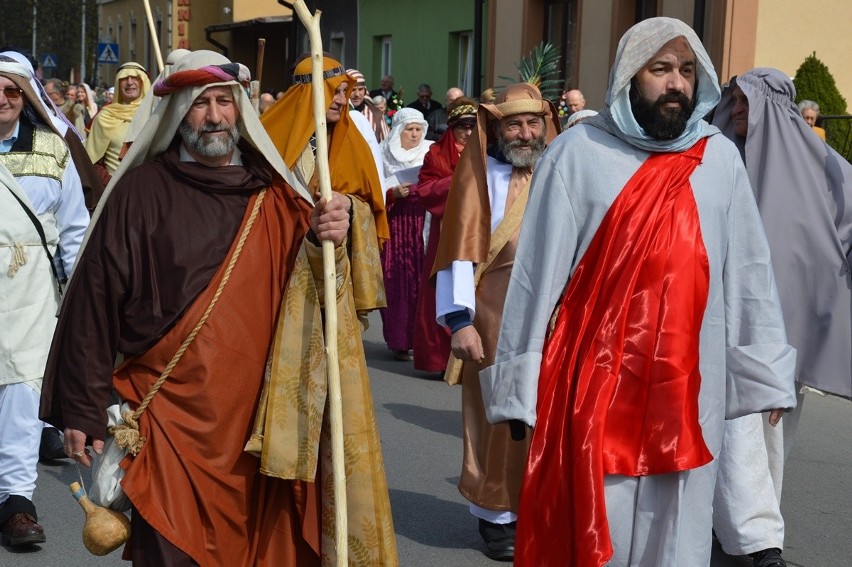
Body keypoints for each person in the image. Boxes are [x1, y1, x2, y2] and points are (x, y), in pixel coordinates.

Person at [39, 50, 397, 566]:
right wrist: (82, 407)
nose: (213, 116)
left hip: (259, 423)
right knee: (172, 550)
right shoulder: (139, 193)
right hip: (168, 422)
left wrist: (330, 238)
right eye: (199, 103)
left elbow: (320, 297)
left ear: (241, 110)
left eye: (224, 102)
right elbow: (94, 304)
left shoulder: (277, 197)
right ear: (177, 113)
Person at [479, 18, 797, 566]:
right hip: (596, 386)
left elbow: (749, 271)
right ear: (630, 75)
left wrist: (762, 369)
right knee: (604, 530)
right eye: (661, 69)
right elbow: (536, 275)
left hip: (691, 384)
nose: (676, 83)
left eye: (686, 70)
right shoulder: (579, 152)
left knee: (679, 538)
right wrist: (520, 382)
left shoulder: (718, 157)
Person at [710, 68, 852, 567]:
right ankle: (738, 536)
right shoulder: (720, 159)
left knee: (766, 437)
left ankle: (756, 541)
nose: (737, 112)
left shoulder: (821, 167)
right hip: (716, 326)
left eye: (747, 103)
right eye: (734, 102)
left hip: (783, 338)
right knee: (722, 431)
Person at [432, 83, 560, 560]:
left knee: (548, 415)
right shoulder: (479, 175)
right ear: (497, 128)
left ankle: (541, 507)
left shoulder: (560, 171)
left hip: (553, 313)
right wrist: (460, 321)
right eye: (514, 124)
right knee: (500, 415)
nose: (525, 133)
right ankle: (497, 517)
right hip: (492, 311)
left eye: (533, 123)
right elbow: (457, 254)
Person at [0, 55, 89, 548]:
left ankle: (16, 502)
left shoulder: (53, 150)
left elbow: (74, 227)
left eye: (12, 90)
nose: (3, 99)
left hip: (31, 285)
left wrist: (80, 299)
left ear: (27, 96)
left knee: (22, 391)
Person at [262, 56, 388, 323]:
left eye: (344, 92)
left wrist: (348, 205)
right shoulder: (268, 136)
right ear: (309, 92)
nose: (342, 100)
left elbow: (371, 204)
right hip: (276, 264)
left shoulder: (352, 140)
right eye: (334, 91)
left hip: (331, 263)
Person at [410, 97, 478, 374]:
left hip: (480, 229)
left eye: (474, 126)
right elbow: (424, 190)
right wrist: (457, 182)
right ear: (452, 127)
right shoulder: (436, 154)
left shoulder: (488, 153)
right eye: (464, 126)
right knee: (443, 286)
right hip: (447, 230)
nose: (469, 132)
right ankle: (439, 358)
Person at [380, 108, 433, 361]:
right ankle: (399, 339)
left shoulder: (430, 153)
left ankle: (418, 339)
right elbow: (375, 187)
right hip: (394, 224)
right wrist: (391, 194)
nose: (414, 135)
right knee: (395, 281)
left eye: (418, 130)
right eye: (409, 130)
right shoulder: (382, 152)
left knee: (420, 282)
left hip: (422, 222)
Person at [86, 62, 150, 179]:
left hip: (149, 189)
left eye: (135, 78)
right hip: (114, 190)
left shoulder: (154, 115)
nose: (130, 82)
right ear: (118, 83)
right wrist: (110, 184)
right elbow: (92, 161)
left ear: (144, 82)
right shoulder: (104, 117)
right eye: (124, 78)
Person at [348, 68, 389, 143]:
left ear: (364, 90)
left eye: (360, 89)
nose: (357, 94)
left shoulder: (376, 115)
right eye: (353, 90)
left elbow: (385, 145)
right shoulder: (337, 115)